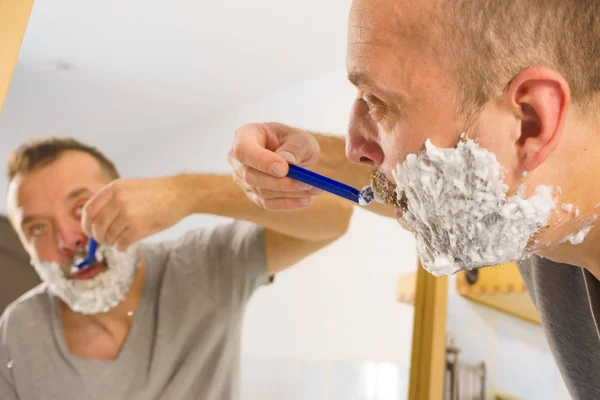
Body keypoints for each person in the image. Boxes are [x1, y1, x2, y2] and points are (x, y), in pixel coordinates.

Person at [229, 0, 600, 398]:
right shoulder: (540, 212)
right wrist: (305, 153)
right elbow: (438, 182)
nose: (355, 148)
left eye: (378, 103)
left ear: (529, 122)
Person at [0, 137, 353, 400]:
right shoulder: (17, 330)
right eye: (38, 228)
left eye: (80, 207)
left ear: (120, 198)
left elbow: (336, 214)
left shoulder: (205, 264)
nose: (68, 239)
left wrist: (188, 193)